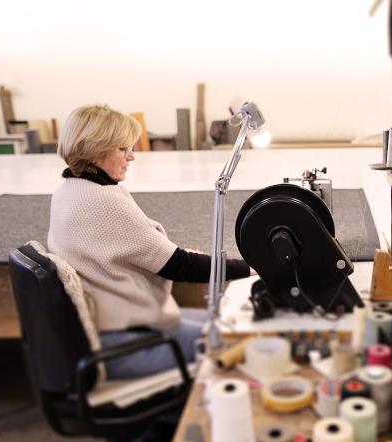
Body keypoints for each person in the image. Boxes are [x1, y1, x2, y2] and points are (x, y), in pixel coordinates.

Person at [48, 104, 251, 380]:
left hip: (114, 331)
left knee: (234, 324)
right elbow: (180, 266)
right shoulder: (102, 201)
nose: (131, 157)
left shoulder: (68, 192)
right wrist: (251, 268)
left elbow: (134, 249)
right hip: (128, 344)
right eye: (123, 149)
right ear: (95, 152)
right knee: (241, 341)